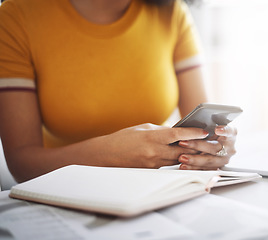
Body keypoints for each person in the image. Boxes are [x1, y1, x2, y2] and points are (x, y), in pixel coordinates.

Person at [0, 0, 238, 183]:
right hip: (67, 192)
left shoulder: (172, 12)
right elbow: (22, 165)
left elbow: (204, 127)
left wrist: (215, 147)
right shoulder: (17, 15)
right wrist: (108, 154)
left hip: (157, 189)